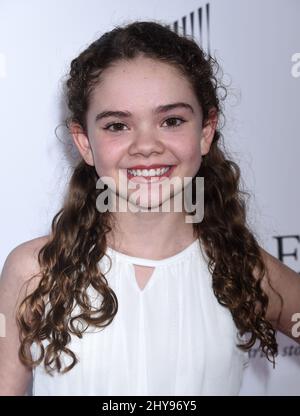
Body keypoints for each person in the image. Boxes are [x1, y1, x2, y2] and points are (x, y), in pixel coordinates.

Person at [0, 20, 299, 396]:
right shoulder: (35, 272)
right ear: (85, 141)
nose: (146, 145)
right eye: (116, 126)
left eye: (171, 120)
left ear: (205, 131)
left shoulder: (240, 267)